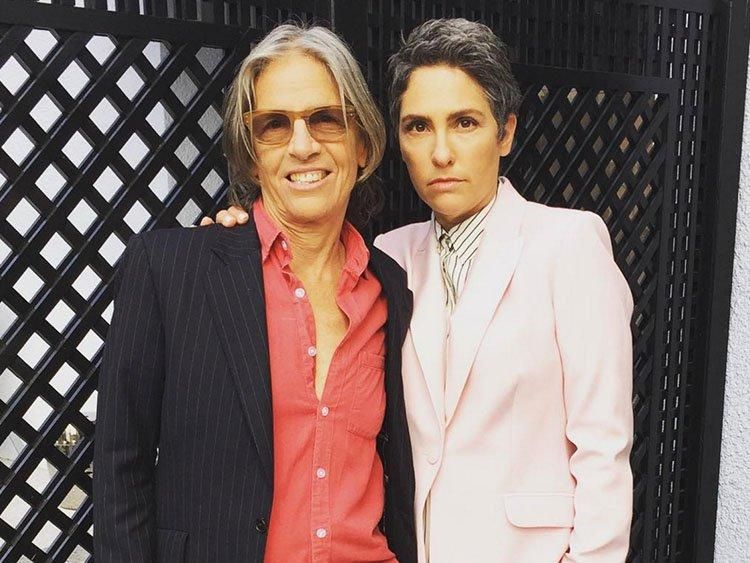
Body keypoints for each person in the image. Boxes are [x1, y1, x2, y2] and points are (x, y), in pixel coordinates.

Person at [206, 18, 634, 563]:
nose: (441, 152)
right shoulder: (388, 257)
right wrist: (236, 239)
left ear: (505, 133)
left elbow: (603, 448)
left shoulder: (567, 244)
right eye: (418, 127)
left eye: (464, 123)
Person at [94, 24, 417, 563]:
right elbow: (119, 470)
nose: (302, 145)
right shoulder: (171, 270)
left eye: (326, 118)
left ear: (362, 143)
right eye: (274, 125)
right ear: (250, 156)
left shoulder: (393, 287)